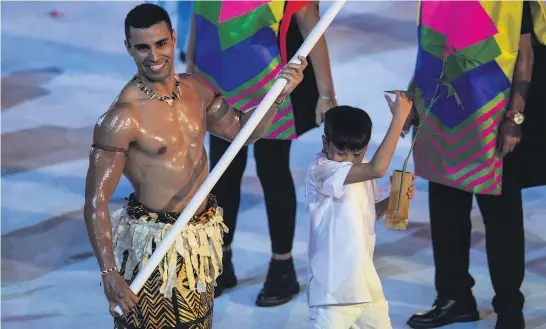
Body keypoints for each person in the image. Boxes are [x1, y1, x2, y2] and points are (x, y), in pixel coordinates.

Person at [83, 4, 307, 329]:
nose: (154, 55)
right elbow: (95, 201)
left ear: (174, 39)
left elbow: (243, 133)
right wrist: (108, 272)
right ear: (128, 48)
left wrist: (278, 95)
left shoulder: (196, 90)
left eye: (160, 43)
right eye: (142, 47)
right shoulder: (122, 118)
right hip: (154, 248)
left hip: (199, 243)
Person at [405, 1, 545, 328]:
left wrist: (515, 116)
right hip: (441, 107)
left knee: (501, 217)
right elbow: (428, 44)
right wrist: (413, 95)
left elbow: (526, 56)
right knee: (445, 208)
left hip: (491, 113)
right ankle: (455, 298)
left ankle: (510, 309)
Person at [186, 1, 337, 305]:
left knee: (272, 172)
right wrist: (189, 79)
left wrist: (326, 94)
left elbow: (313, 30)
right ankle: (220, 262)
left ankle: (282, 268)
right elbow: (198, 23)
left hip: (269, 89)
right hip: (215, 86)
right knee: (222, 175)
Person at [305, 92, 415, 329]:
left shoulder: (362, 167)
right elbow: (378, 168)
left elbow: (365, 215)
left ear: (365, 147)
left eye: (357, 153)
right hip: (332, 294)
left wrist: (393, 201)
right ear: (325, 143)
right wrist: (399, 119)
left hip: (367, 288)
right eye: (341, 152)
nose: (348, 161)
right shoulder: (322, 170)